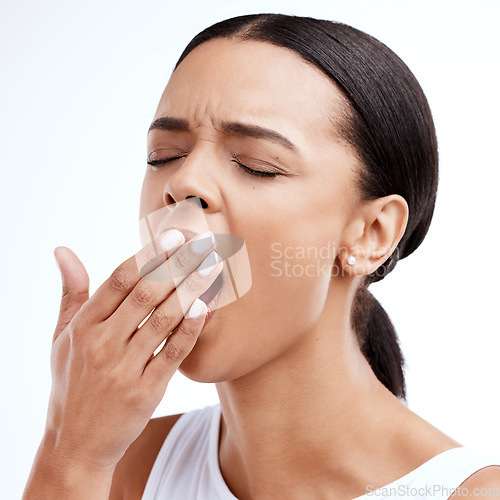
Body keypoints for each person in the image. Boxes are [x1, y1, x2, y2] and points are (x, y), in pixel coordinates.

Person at [23, 13, 500, 500]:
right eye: (163, 155)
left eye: (258, 165)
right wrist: (70, 454)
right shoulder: (117, 469)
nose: (182, 185)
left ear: (371, 234)